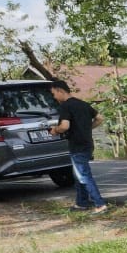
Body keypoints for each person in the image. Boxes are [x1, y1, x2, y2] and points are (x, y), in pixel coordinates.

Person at [49, 79, 106, 214]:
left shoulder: (65, 106)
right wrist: (87, 129)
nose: (54, 97)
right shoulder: (83, 104)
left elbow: (64, 126)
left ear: (60, 90)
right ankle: (82, 203)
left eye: (53, 94)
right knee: (78, 174)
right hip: (87, 143)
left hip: (77, 145)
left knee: (84, 175)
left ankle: (100, 204)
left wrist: (55, 130)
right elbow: (100, 118)